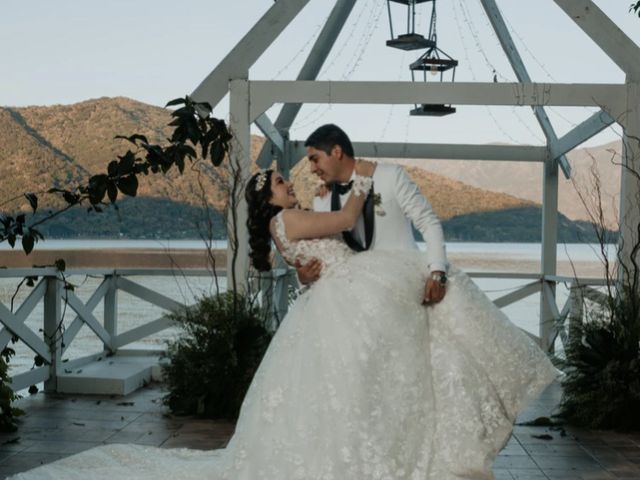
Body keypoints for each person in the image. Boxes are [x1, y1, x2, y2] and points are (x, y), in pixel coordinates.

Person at [11, 160, 559, 480]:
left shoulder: (284, 223)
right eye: (280, 181)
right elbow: (346, 221)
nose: (288, 181)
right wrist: (365, 175)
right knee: (347, 387)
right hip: (342, 307)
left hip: (332, 304)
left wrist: (320, 217)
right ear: (268, 196)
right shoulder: (289, 217)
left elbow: (314, 255)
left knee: (332, 392)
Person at [299, 124, 447, 306]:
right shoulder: (322, 200)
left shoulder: (390, 175)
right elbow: (327, 253)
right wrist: (304, 276)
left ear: (337, 151)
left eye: (315, 159)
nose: (312, 169)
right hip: (357, 299)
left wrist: (437, 272)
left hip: (407, 287)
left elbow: (427, 221)